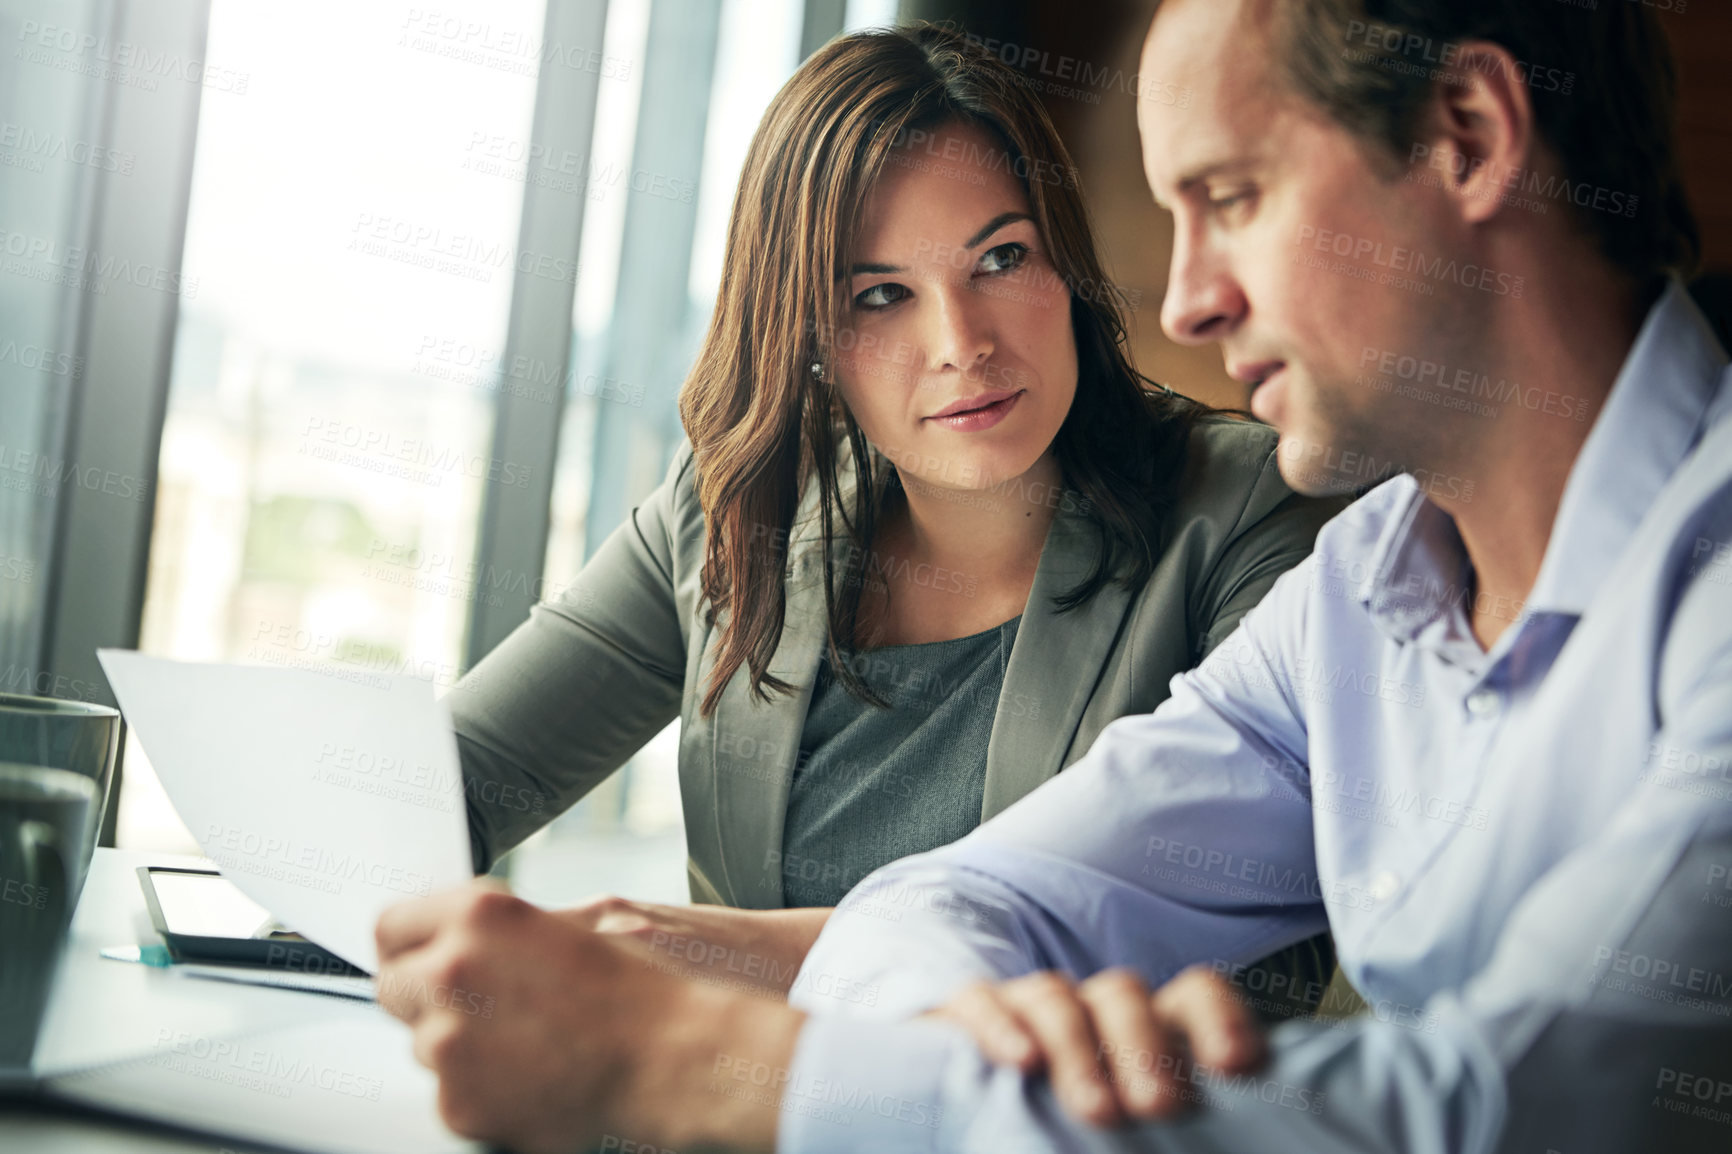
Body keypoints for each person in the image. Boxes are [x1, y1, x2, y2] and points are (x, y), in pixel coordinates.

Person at [375, 1, 1732, 1150]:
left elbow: (1515, 1110)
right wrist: (973, 1025)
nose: (1188, 301)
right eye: (877, 295)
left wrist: (706, 1066)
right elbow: (957, 897)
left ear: (1472, 138)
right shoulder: (1367, 594)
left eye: (1234, 197)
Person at [448, 24, 1336, 998]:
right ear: (811, 332)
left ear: (1066, 270)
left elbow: (1261, 961)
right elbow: (447, 787)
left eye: (1000, 259)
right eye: (880, 295)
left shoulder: (1246, 505)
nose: (960, 342)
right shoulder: (731, 519)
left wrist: (742, 958)